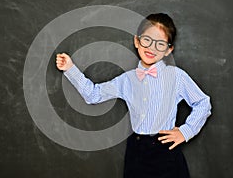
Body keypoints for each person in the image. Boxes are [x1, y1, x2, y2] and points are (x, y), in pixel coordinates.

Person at [56, 13, 211, 178]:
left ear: (168, 50)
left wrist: (186, 131)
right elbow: (93, 95)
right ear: (137, 41)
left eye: (160, 44)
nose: (151, 48)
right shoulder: (126, 80)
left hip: (166, 151)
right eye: (147, 40)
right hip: (137, 152)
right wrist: (70, 69)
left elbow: (203, 103)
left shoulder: (176, 76)